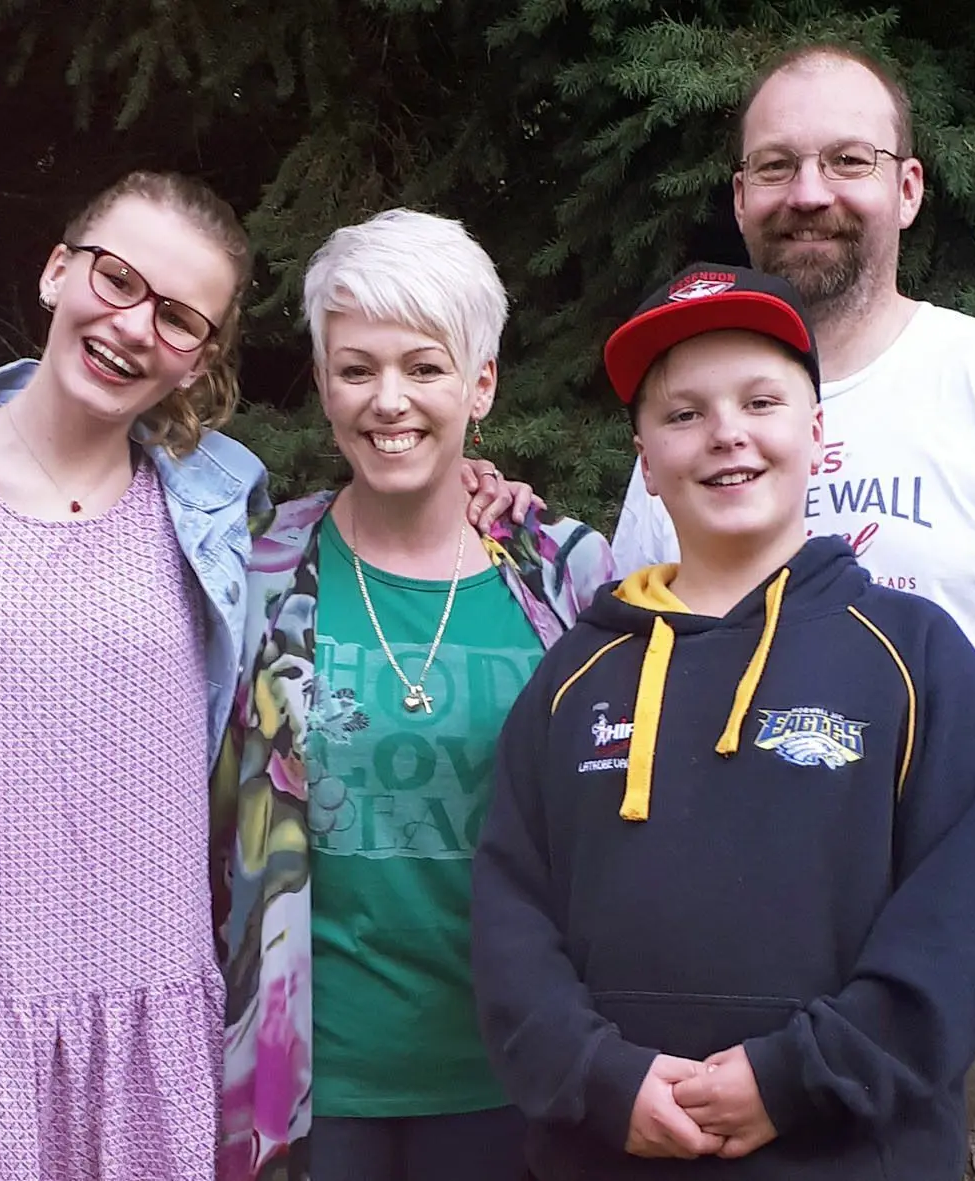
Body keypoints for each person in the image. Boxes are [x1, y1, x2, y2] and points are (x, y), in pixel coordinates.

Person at [0, 173, 528, 1181]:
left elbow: (382, 537)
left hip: (159, 1049)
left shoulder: (223, 522)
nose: (132, 325)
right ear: (56, 270)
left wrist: (475, 488)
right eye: (117, 279)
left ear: (200, 356)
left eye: (177, 316)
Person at [610, 45, 975, 1180]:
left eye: (846, 160)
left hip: (961, 998)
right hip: (729, 1001)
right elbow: (637, 668)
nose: (809, 191)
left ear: (907, 187)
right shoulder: (686, 419)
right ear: (740, 199)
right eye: (775, 166)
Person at [473, 261, 975, 1179]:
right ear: (646, 460)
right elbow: (509, 914)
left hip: (851, 1152)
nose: (725, 433)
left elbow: (967, 915)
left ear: (816, 434)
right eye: (683, 414)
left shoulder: (912, 656)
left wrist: (794, 1077)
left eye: (759, 401)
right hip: (609, 1151)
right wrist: (599, 1075)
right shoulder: (575, 672)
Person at [213, 208, 618, 1181]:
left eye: (424, 367)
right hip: (306, 1088)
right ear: (320, 381)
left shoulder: (566, 577)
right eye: (357, 369)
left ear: (480, 382)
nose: (388, 400)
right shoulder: (257, 567)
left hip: (515, 1077)